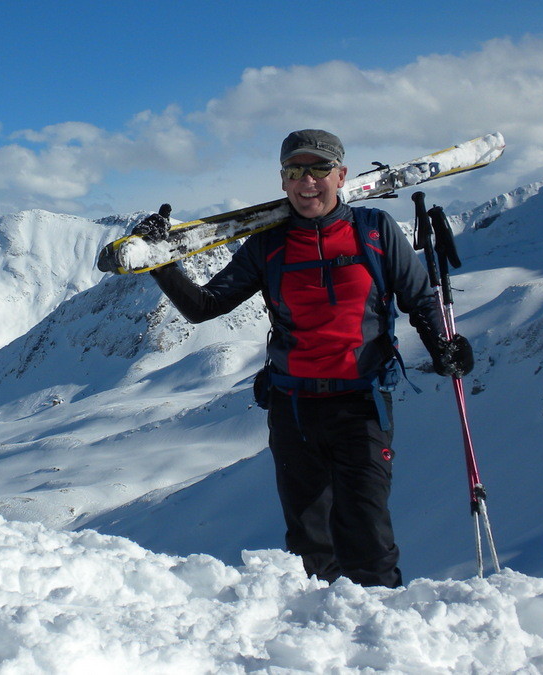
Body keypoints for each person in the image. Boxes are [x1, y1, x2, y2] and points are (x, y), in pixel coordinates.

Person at [133, 129, 473, 588]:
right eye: (295, 171)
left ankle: (385, 639)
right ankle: (320, 643)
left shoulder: (373, 230)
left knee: (368, 536)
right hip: (294, 409)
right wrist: (160, 259)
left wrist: (444, 347)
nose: (306, 181)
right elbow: (204, 306)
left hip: (362, 404)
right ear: (282, 180)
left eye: (318, 169)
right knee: (309, 544)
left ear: (341, 175)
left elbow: (419, 299)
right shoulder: (268, 244)